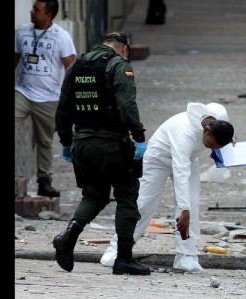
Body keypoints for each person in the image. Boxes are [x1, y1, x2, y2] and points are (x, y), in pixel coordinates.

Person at [52, 32, 151, 276]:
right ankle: (124, 259)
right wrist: (138, 137)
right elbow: (127, 105)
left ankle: (69, 235)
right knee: (127, 196)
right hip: (112, 144)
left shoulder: (77, 65)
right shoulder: (118, 64)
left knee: (94, 196)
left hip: (82, 144)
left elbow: (62, 108)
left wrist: (66, 141)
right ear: (124, 49)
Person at [100, 102, 235, 273]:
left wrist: (187, 208)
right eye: (212, 144)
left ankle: (186, 256)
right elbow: (180, 173)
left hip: (189, 160)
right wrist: (183, 210)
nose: (214, 148)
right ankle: (116, 251)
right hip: (159, 157)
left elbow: (188, 169)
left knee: (193, 204)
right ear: (206, 130)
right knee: (144, 204)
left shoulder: (219, 116)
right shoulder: (185, 133)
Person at [15, 0, 76, 198]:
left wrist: (70, 98)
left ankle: (44, 181)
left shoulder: (61, 37)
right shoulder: (22, 32)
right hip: (22, 92)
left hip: (49, 97)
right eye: (32, 8)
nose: (32, 12)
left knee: (44, 141)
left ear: (48, 15)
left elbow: (71, 68)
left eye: (36, 10)